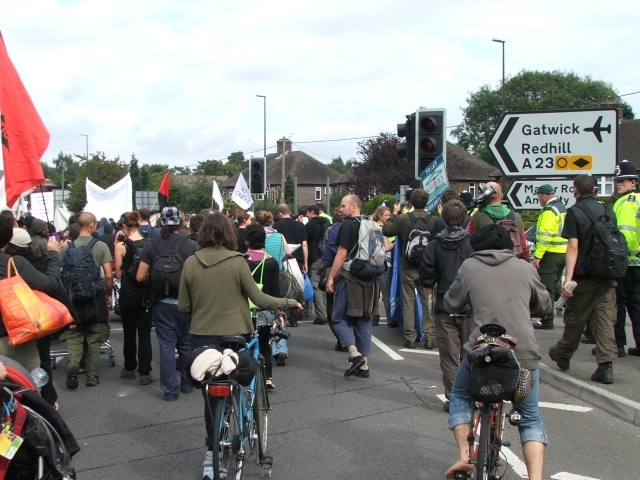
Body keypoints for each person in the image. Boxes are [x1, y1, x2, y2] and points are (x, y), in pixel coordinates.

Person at [177, 213, 301, 480]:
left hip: (201, 338)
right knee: (241, 380)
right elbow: (258, 298)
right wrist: (289, 304)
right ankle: (243, 423)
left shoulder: (190, 263)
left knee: (211, 397)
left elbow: (184, 307)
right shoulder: (238, 262)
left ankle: (212, 454)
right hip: (235, 335)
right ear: (231, 235)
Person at [443, 223, 551, 480]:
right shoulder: (525, 268)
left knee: (459, 395)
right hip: (521, 355)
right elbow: (545, 305)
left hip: (481, 353)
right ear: (508, 246)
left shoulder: (469, 266)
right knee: (529, 416)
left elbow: (451, 302)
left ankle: (464, 456)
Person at [548, 174, 618, 384]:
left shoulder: (574, 212)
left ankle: (563, 353)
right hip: (607, 274)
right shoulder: (608, 210)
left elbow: (573, 246)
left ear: (575, 191)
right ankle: (606, 366)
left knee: (576, 318)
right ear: (595, 190)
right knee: (605, 319)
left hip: (584, 275)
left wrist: (568, 280)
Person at [136, 206, 197, 401]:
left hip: (161, 303)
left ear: (161, 223)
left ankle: (170, 390)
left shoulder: (152, 245)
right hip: (185, 303)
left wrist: (155, 281)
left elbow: (140, 276)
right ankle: (187, 383)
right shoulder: (189, 245)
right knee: (186, 345)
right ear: (180, 223)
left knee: (167, 347)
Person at [419, 200, 474, 412]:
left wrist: (431, 304)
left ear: (443, 218)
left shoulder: (434, 245)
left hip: (444, 305)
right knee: (470, 354)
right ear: (465, 218)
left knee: (449, 357)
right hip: (470, 306)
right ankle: (471, 395)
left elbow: (426, 278)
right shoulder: (473, 244)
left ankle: (455, 399)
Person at [326, 195, 380, 378]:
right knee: (364, 321)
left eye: (343, 206)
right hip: (370, 279)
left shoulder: (347, 225)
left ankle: (354, 354)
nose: (340, 209)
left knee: (339, 319)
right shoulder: (372, 223)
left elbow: (341, 254)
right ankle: (364, 367)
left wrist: (331, 277)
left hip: (350, 278)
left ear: (354, 207)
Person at [0, 218, 63, 373]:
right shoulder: (12, 263)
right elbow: (50, 284)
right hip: (12, 336)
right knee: (24, 386)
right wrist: (54, 254)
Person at [58, 212, 113, 388]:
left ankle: (74, 363)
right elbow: (109, 275)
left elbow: (61, 273)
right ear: (92, 225)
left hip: (73, 297)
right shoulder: (101, 246)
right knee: (94, 337)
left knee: (74, 335)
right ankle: (92, 375)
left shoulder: (68, 247)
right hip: (95, 297)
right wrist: (108, 294)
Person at [382, 188, 437, 349]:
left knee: (408, 303)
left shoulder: (405, 219)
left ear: (411, 202)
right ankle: (429, 338)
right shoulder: (433, 220)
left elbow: (387, 230)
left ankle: (410, 338)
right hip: (427, 267)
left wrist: (394, 213)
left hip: (408, 266)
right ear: (426, 202)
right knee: (427, 303)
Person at [244, 223, 288, 385]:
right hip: (265, 309)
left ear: (247, 241)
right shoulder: (272, 262)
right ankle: (268, 377)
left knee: (245, 344)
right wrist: (280, 313)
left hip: (244, 310)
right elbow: (276, 291)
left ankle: (246, 375)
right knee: (265, 344)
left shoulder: (241, 260)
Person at [113, 212, 153, 385]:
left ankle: (129, 368)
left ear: (123, 226)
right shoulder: (150, 244)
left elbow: (119, 274)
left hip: (128, 293)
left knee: (129, 333)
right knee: (144, 334)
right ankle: (145, 372)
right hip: (145, 293)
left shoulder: (121, 246)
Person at [612, 160, 640, 357]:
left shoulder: (626, 202)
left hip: (625, 263)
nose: (619, 183)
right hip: (638, 263)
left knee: (618, 304)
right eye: (617, 180)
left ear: (633, 182)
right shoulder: (638, 200)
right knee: (637, 305)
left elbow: (626, 234)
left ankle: (618, 344)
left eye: (624, 180)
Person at [532, 184, 567, 330]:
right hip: (563, 252)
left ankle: (547, 320)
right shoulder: (562, 208)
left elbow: (545, 236)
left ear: (544, 196)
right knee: (557, 285)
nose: (538, 199)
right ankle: (571, 311)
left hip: (550, 253)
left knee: (547, 288)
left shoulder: (549, 211)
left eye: (538, 196)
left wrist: (537, 256)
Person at [467, 181, 530, 261]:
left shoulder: (477, 218)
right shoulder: (516, 218)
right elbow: (524, 246)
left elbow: (469, 243)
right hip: (512, 263)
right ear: (502, 196)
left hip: (486, 263)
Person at [305, 204, 331, 325]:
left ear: (311, 212)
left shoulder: (309, 226)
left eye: (307, 213)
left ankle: (321, 315)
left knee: (315, 285)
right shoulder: (327, 224)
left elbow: (306, 243)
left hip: (315, 258)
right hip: (328, 258)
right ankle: (328, 311)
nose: (306, 215)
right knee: (325, 285)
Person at [372, 205, 394, 326]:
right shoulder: (383, 229)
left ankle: (374, 317)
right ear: (380, 215)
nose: (388, 217)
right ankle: (391, 319)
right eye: (386, 215)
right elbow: (386, 248)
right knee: (386, 292)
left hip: (373, 262)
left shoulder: (372, 226)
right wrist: (395, 244)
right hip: (385, 263)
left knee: (374, 291)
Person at [273, 204, 308, 273]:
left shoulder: (276, 225)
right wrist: (305, 262)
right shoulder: (300, 225)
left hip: (282, 259)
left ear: (280, 213)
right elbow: (304, 244)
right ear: (289, 212)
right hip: (298, 259)